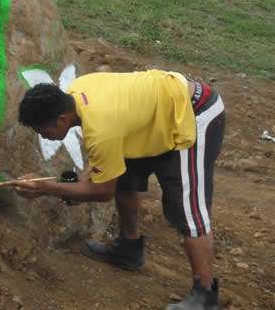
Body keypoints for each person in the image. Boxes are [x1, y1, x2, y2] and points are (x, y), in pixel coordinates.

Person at [14, 70, 226, 310]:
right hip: (155, 118)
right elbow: (107, 155)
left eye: (43, 131)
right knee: (126, 180)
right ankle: (129, 249)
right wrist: (78, 180)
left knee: (188, 210)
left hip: (194, 114)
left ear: (62, 119)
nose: (43, 137)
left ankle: (205, 295)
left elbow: (103, 191)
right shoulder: (79, 90)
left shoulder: (100, 125)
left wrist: (46, 188)